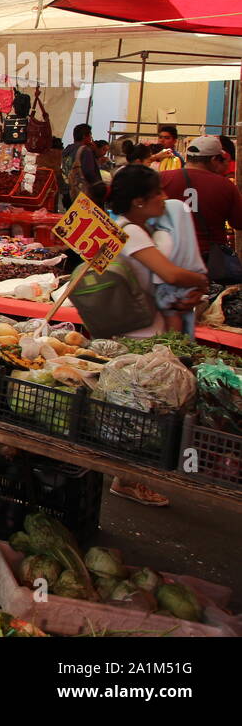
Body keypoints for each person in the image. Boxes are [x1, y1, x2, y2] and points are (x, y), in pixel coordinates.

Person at [105, 165, 209, 506]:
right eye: (158, 193)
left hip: (128, 324)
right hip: (138, 332)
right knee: (142, 410)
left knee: (134, 407)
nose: (165, 198)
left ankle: (126, 476)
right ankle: (128, 479)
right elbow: (171, 274)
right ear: (139, 201)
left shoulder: (121, 226)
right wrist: (202, 281)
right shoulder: (131, 233)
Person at [158, 135, 242, 282]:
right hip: (208, 261)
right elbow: (239, 222)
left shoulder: (161, 179)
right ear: (214, 159)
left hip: (168, 257)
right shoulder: (225, 185)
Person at [147, 197, 207, 335]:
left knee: (172, 327)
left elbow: (162, 274)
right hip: (187, 289)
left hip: (167, 292)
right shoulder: (186, 237)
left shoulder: (161, 236)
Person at [61, 123, 102, 204]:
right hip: (81, 194)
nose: (91, 137)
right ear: (84, 136)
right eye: (90, 135)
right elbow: (89, 172)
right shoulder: (85, 150)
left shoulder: (67, 150)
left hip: (67, 192)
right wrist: (99, 187)